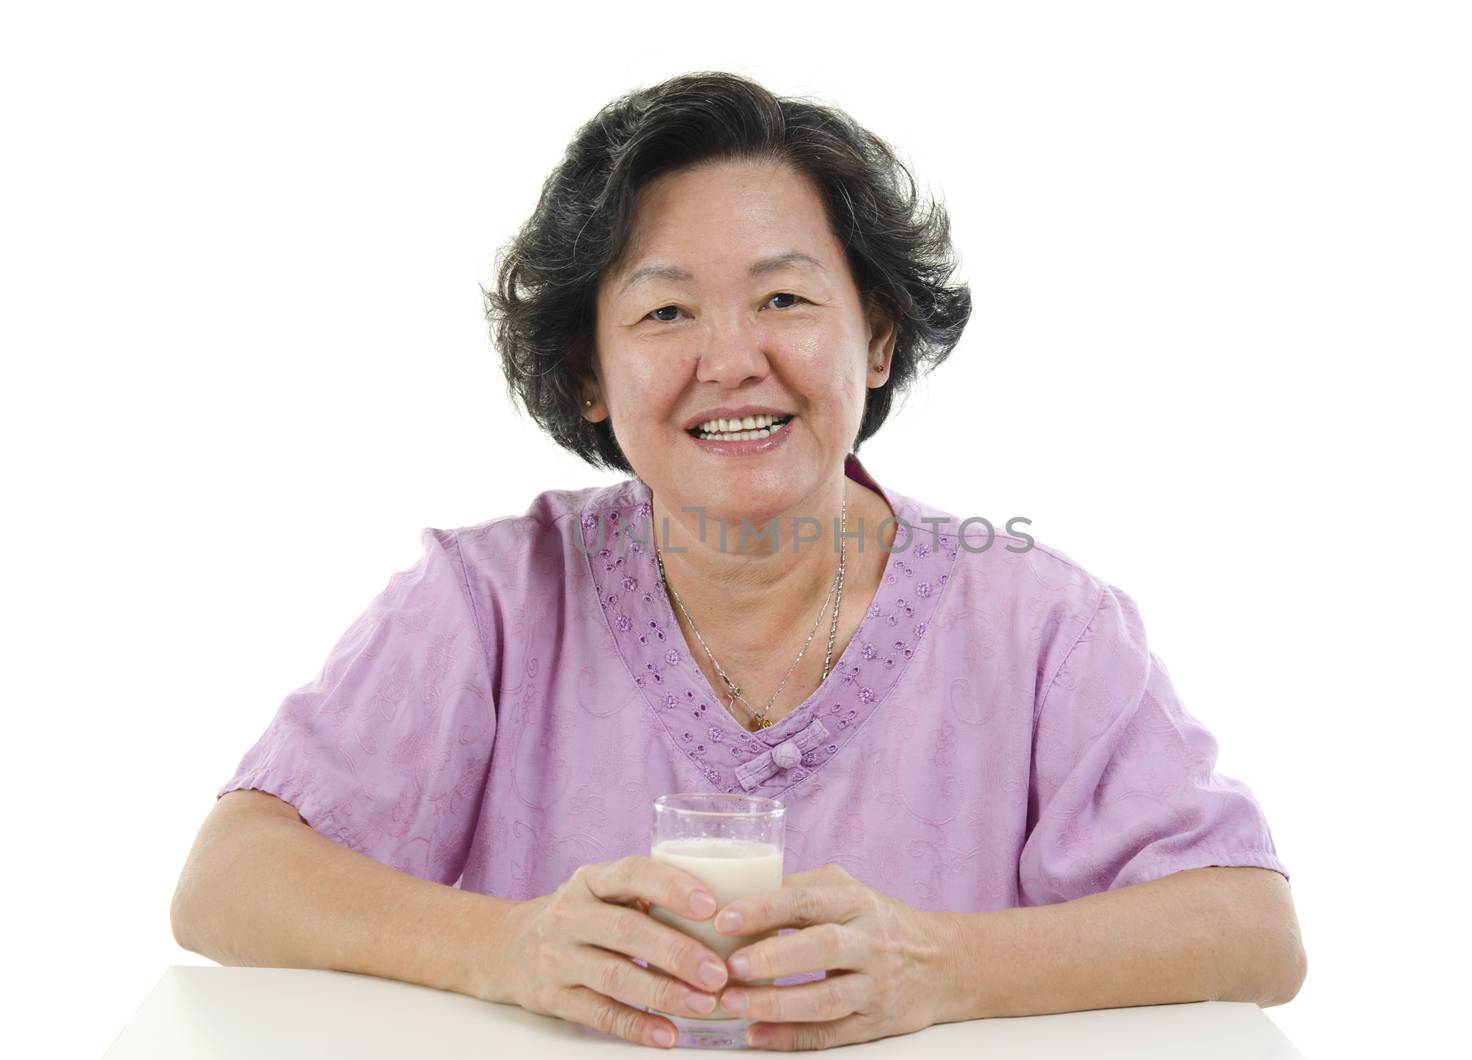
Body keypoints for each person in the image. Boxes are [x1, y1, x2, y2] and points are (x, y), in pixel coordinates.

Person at [170, 70, 1305, 1051]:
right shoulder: (489, 603)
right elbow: (228, 880)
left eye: (784, 297)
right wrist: (508, 946)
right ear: (588, 376)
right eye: (665, 313)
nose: (732, 359)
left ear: (875, 334)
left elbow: (1250, 930)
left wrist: (941, 967)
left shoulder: (1042, 623)